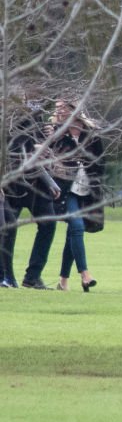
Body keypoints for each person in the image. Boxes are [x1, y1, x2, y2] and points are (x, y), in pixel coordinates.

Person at [3, 100, 61, 289]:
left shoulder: (38, 115)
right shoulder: (11, 116)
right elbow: (14, 151)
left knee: (48, 224)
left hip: (37, 182)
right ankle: (7, 276)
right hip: (14, 184)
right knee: (8, 229)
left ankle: (32, 276)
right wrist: (33, 150)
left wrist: (49, 139)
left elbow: (43, 153)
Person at [50, 100, 104, 292]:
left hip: (87, 189)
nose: (59, 112)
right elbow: (50, 160)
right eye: (57, 109)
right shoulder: (56, 133)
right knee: (77, 226)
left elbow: (101, 163)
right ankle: (85, 275)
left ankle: (63, 280)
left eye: (63, 108)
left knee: (72, 234)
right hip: (66, 189)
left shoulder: (92, 134)